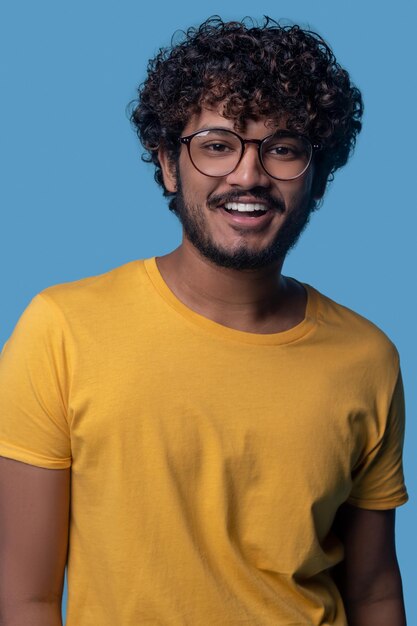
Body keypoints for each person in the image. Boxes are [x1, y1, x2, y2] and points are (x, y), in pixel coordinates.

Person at [0, 16, 408, 626]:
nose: (248, 175)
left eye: (283, 148)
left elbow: (374, 592)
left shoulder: (368, 358)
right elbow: (25, 597)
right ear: (169, 164)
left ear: (316, 178)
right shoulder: (62, 329)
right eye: (217, 145)